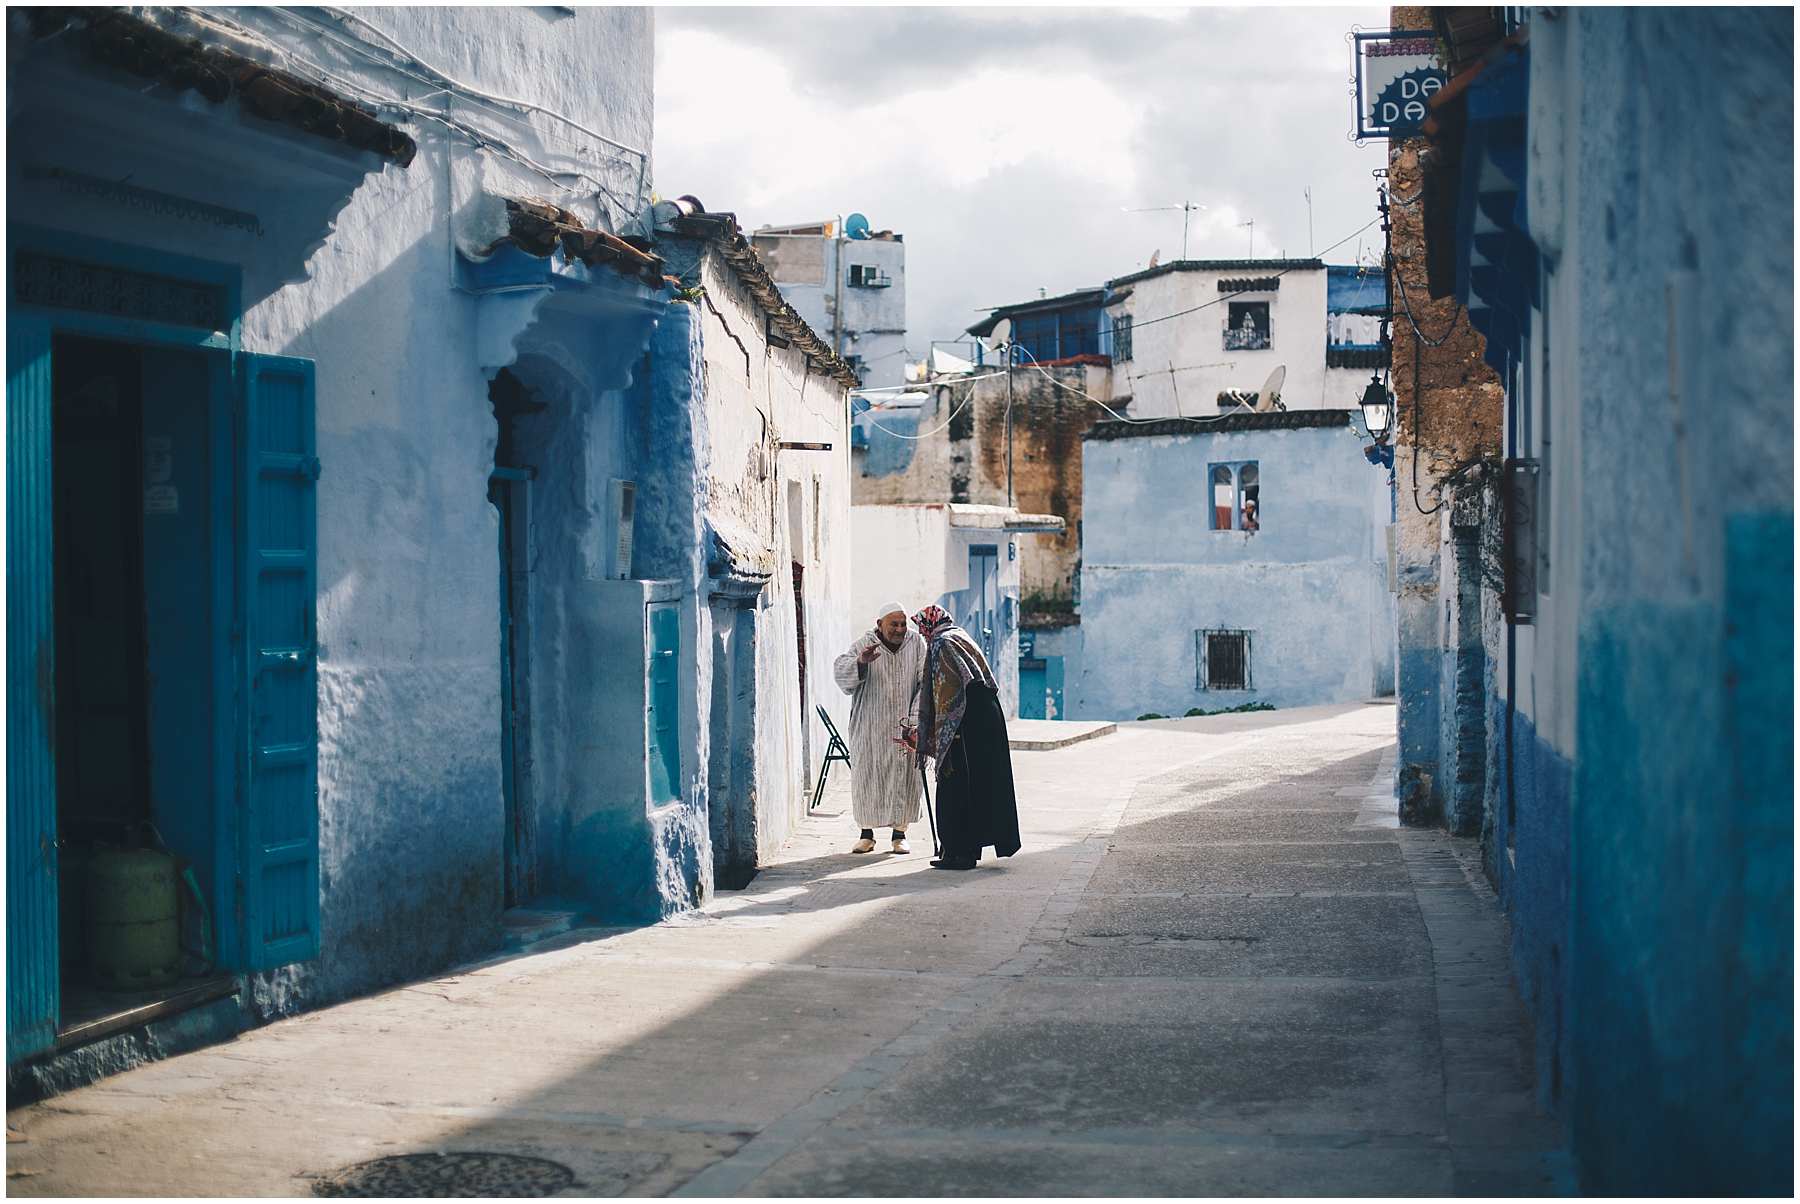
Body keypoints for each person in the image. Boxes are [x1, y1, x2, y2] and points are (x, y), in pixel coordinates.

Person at [905, 605, 1021, 871]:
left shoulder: (941, 643)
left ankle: (958, 853)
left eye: (922, 630)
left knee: (955, 787)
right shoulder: (958, 635)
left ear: (928, 626)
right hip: (984, 717)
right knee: (977, 786)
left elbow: (946, 692)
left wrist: (933, 734)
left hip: (963, 723)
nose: (923, 636)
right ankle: (963, 851)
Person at [831, 602, 925, 854]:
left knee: (904, 779)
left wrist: (915, 721)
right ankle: (866, 835)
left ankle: (900, 834)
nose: (899, 629)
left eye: (903, 624)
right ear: (879, 624)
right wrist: (861, 663)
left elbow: (923, 684)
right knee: (868, 778)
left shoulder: (916, 644)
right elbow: (840, 672)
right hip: (870, 727)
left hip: (905, 728)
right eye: (893, 624)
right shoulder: (864, 644)